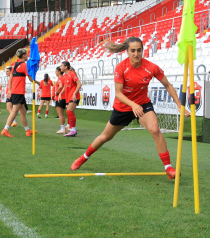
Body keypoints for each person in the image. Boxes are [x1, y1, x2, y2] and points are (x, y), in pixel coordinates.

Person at [70, 37, 190, 180]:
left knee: (155, 130)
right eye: (132, 50)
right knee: (105, 137)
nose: (136, 54)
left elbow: (168, 85)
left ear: (142, 50)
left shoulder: (151, 67)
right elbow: (119, 93)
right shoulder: (121, 67)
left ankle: (168, 168)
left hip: (143, 105)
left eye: (139, 50)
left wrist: (179, 104)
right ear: (127, 51)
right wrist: (133, 104)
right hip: (123, 107)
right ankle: (83, 157)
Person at [1, 48, 40, 137]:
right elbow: (30, 78)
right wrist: (38, 82)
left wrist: (10, 90)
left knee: (22, 112)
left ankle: (27, 130)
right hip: (18, 91)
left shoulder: (15, 65)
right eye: (26, 54)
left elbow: (10, 78)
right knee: (14, 111)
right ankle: (5, 129)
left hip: (16, 91)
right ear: (23, 55)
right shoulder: (24, 65)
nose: (27, 55)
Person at [59, 61, 82, 137]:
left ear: (66, 67)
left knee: (69, 112)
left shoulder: (72, 74)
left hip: (74, 96)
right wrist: (60, 94)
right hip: (69, 97)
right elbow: (65, 87)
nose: (60, 67)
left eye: (61, 66)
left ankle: (73, 130)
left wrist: (75, 93)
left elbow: (79, 84)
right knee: (69, 112)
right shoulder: (65, 76)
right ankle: (72, 129)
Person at [55, 67, 67, 134]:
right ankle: (64, 127)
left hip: (60, 97)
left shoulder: (60, 79)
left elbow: (60, 85)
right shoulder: (64, 78)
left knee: (60, 114)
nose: (55, 72)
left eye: (56, 71)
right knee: (62, 113)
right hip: (64, 97)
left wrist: (57, 92)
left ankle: (62, 129)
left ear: (59, 72)